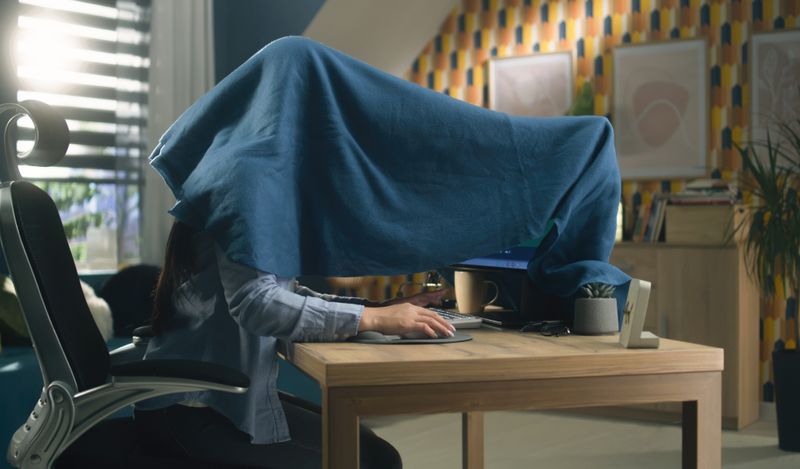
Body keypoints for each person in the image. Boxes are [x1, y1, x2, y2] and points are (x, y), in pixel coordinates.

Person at [134, 221, 452, 468]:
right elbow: (258, 304)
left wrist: (378, 310)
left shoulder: (239, 194)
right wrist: (371, 319)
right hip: (193, 410)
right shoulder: (244, 205)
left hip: (213, 398)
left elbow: (285, 294)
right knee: (373, 460)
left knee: (367, 447)